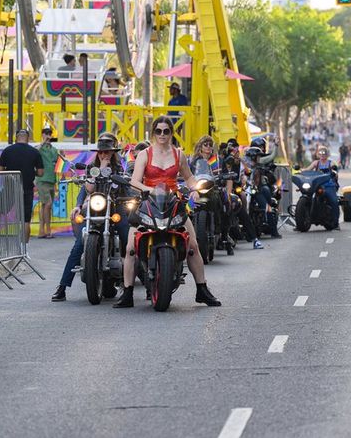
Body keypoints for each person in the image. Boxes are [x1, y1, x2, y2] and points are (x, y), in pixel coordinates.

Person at [114, 116, 220, 308]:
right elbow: (135, 181)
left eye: (166, 131)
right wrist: (149, 190)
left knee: (193, 246)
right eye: (158, 131)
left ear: (171, 133)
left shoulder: (179, 155)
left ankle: (202, 290)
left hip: (173, 202)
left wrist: (195, 190)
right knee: (130, 248)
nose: (162, 134)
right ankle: (127, 293)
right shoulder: (144, 154)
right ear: (153, 132)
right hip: (147, 203)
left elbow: (189, 178)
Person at [51, 135, 125, 301]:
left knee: (128, 239)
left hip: (114, 207)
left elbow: (122, 187)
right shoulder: (91, 167)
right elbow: (88, 189)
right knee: (79, 244)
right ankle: (62, 286)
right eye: (101, 152)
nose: (103, 155)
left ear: (113, 152)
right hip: (95, 209)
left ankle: (139, 286)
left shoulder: (119, 168)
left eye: (107, 152)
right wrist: (78, 206)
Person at [0, 128, 45, 244]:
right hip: (27, 188)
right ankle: (24, 248)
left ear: (16, 138)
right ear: (28, 139)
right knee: (26, 219)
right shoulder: (34, 152)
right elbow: (40, 172)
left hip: (9, 186)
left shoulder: (8, 150)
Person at [221, 139, 263, 249]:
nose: (234, 152)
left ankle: (254, 239)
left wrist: (241, 164)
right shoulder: (222, 161)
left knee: (242, 210)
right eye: (232, 150)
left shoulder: (239, 161)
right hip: (222, 191)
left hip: (235, 190)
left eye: (236, 150)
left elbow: (247, 172)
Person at [246, 135, 282, 238]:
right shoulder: (244, 165)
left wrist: (275, 145)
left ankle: (274, 231)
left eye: (256, 156)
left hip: (257, 189)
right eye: (253, 156)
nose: (255, 158)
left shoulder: (260, 162)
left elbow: (271, 157)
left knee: (267, 207)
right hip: (247, 189)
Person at [308, 144, 341, 229]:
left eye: (324, 153)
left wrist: (334, 171)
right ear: (318, 154)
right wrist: (298, 171)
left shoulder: (331, 163)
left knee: (334, 201)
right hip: (317, 186)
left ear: (327, 154)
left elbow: (335, 170)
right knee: (307, 197)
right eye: (320, 153)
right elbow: (307, 170)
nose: (322, 155)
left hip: (329, 186)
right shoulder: (316, 163)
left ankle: (336, 223)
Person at [36, 128, 60, 239]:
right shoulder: (40, 148)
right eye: (46, 134)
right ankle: (48, 230)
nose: (48, 136)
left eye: (50, 134)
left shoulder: (53, 149)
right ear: (42, 135)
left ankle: (42, 230)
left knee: (46, 206)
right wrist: (43, 142)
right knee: (48, 204)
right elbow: (35, 152)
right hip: (42, 179)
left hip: (51, 179)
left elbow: (56, 160)